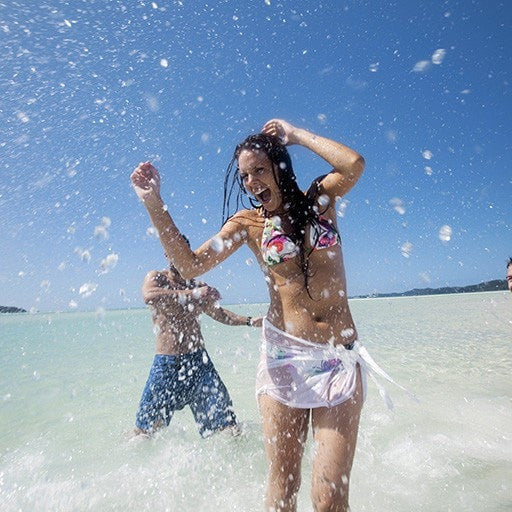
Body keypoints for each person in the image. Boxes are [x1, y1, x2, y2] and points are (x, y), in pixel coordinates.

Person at [131, 118, 368, 511]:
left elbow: (354, 164)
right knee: (283, 489)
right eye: (244, 176)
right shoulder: (248, 224)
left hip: (339, 359)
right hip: (284, 359)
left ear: (280, 165)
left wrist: (295, 136)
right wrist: (154, 204)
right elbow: (190, 265)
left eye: (259, 169)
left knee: (328, 498)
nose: (252, 182)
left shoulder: (320, 201)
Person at [133, 252, 262, 438]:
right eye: (173, 251)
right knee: (144, 433)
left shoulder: (198, 286)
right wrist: (193, 294)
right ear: (167, 254)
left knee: (228, 428)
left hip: (199, 363)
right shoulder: (157, 278)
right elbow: (149, 296)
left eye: (181, 251)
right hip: (166, 365)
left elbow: (219, 314)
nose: (177, 256)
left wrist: (249, 321)